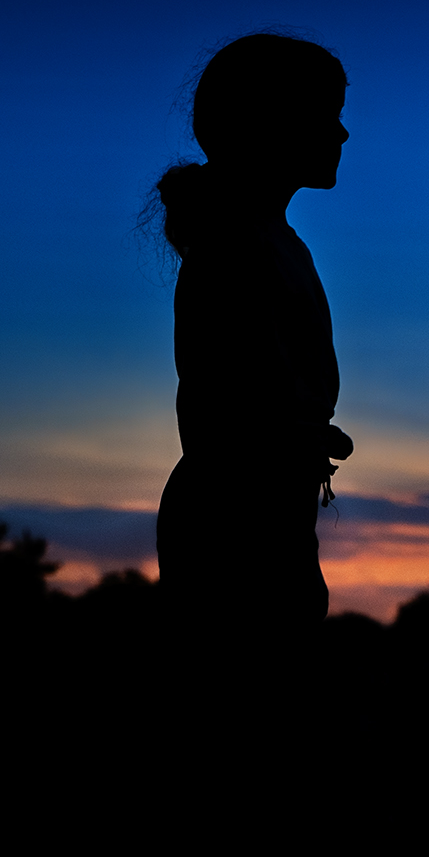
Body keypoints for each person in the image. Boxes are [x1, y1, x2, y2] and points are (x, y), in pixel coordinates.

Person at [153, 33, 353, 639]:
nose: (342, 134)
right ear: (273, 122)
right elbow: (227, 404)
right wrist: (298, 435)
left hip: (266, 507)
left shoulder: (269, 239)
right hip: (236, 519)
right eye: (328, 115)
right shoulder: (235, 245)